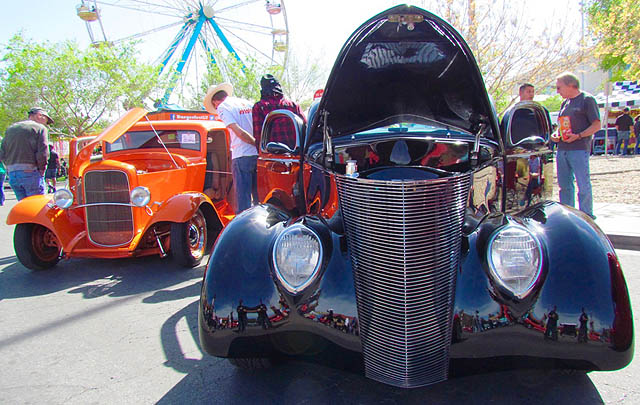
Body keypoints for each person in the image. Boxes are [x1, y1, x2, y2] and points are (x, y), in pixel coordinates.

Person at [551, 72, 600, 219]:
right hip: (562, 149)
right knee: (564, 185)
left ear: (571, 85)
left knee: (582, 184)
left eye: (559, 88)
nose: (557, 91)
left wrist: (578, 136)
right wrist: (557, 135)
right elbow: (562, 124)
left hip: (579, 149)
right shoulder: (564, 103)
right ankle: (568, 215)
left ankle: (586, 215)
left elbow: (596, 125)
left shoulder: (587, 100)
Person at [204, 83, 258, 213]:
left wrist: (254, 143)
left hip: (242, 154)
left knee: (243, 199)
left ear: (215, 102)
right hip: (257, 155)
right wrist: (259, 147)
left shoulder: (223, 107)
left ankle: (243, 229)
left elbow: (238, 132)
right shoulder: (247, 103)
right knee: (258, 196)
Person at [0, 107, 51, 201]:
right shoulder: (40, 128)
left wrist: (9, 167)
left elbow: (2, 152)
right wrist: (42, 171)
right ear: (39, 115)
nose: (46, 123)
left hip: (13, 173)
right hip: (31, 172)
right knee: (36, 206)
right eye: (46, 120)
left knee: (23, 207)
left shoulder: (11, 129)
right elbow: (43, 153)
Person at [252, 74, 306, 150]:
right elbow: (305, 128)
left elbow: (259, 136)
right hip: (296, 154)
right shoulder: (293, 105)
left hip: (273, 156)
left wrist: (261, 153)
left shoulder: (259, 107)